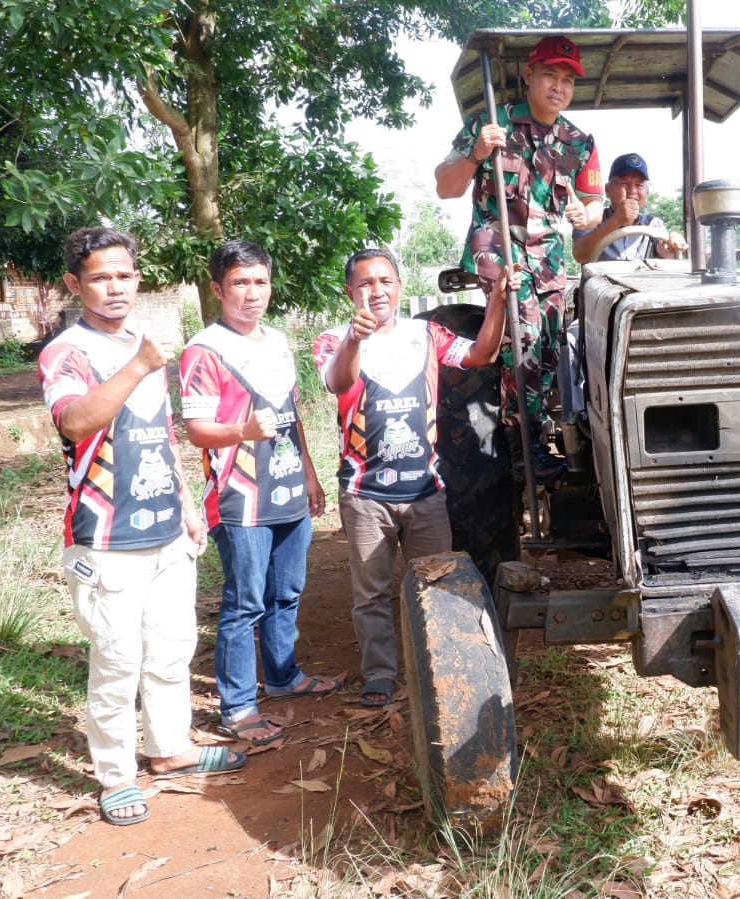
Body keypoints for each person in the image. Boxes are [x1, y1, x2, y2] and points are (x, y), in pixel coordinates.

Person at [40, 227, 244, 827]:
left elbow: (160, 434)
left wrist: (184, 501)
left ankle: (170, 749)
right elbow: (76, 422)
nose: (115, 287)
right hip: (104, 537)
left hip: (163, 528)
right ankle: (115, 776)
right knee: (117, 658)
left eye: (124, 275)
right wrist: (137, 366)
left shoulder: (140, 346)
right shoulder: (67, 351)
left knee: (172, 648)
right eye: (100, 277)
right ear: (74, 284)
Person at [312, 249, 516, 707]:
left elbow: (482, 353)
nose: (377, 291)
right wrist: (354, 340)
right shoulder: (332, 339)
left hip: (425, 493)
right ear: (350, 292)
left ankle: (438, 666)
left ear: (399, 287)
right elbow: (338, 383)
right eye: (365, 284)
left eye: (385, 281)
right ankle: (380, 675)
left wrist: (499, 300)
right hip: (366, 494)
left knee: (438, 587)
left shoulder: (427, 334)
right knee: (372, 593)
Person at [179, 240, 337, 748]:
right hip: (240, 499)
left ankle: (284, 677)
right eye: (240, 283)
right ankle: (239, 706)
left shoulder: (277, 342)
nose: (252, 293)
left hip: (289, 489)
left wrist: (310, 475)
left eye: (260, 282)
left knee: (286, 592)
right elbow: (197, 430)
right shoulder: (204, 350)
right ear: (218, 289)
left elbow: (291, 418)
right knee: (244, 603)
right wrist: (241, 431)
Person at [434, 34, 602, 482]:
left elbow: (595, 201)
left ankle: (563, 428)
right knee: (524, 331)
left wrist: (587, 211)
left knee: (553, 345)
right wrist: (477, 153)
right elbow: (446, 186)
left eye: (567, 79)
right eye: (550, 74)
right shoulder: (489, 123)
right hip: (499, 250)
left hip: (548, 260)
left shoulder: (579, 141)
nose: (559, 85)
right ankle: (522, 443)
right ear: (529, 75)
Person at [571, 152, 688, 264]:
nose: (632, 191)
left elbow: (665, 250)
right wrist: (616, 220)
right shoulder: (591, 216)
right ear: (607, 190)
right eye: (624, 183)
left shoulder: (653, 225)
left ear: (647, 193)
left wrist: (672, 242)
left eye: (639, 185)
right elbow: (579, 255)